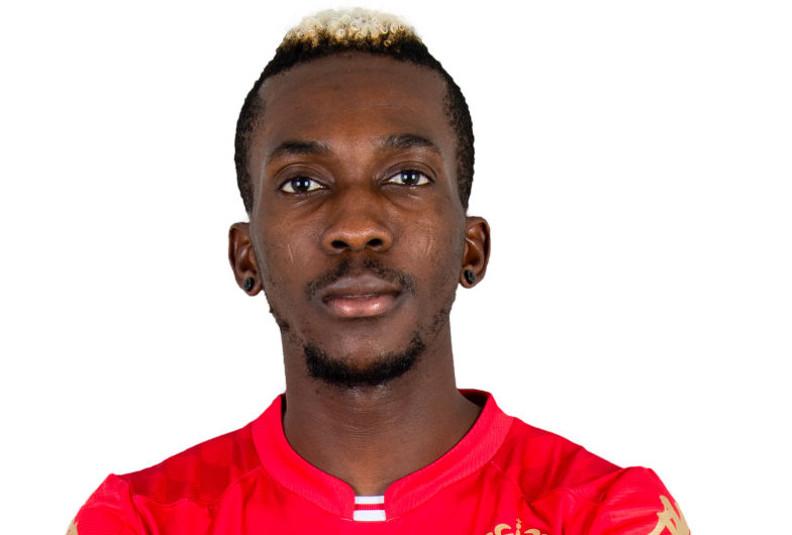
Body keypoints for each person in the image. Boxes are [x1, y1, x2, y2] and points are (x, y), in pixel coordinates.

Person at [69, 8, 689, 534]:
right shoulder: (140, 519)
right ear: (246, 255)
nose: (356, 224)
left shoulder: (606, 512)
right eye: (303, 183)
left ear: (471, 248)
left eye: (407, 177)